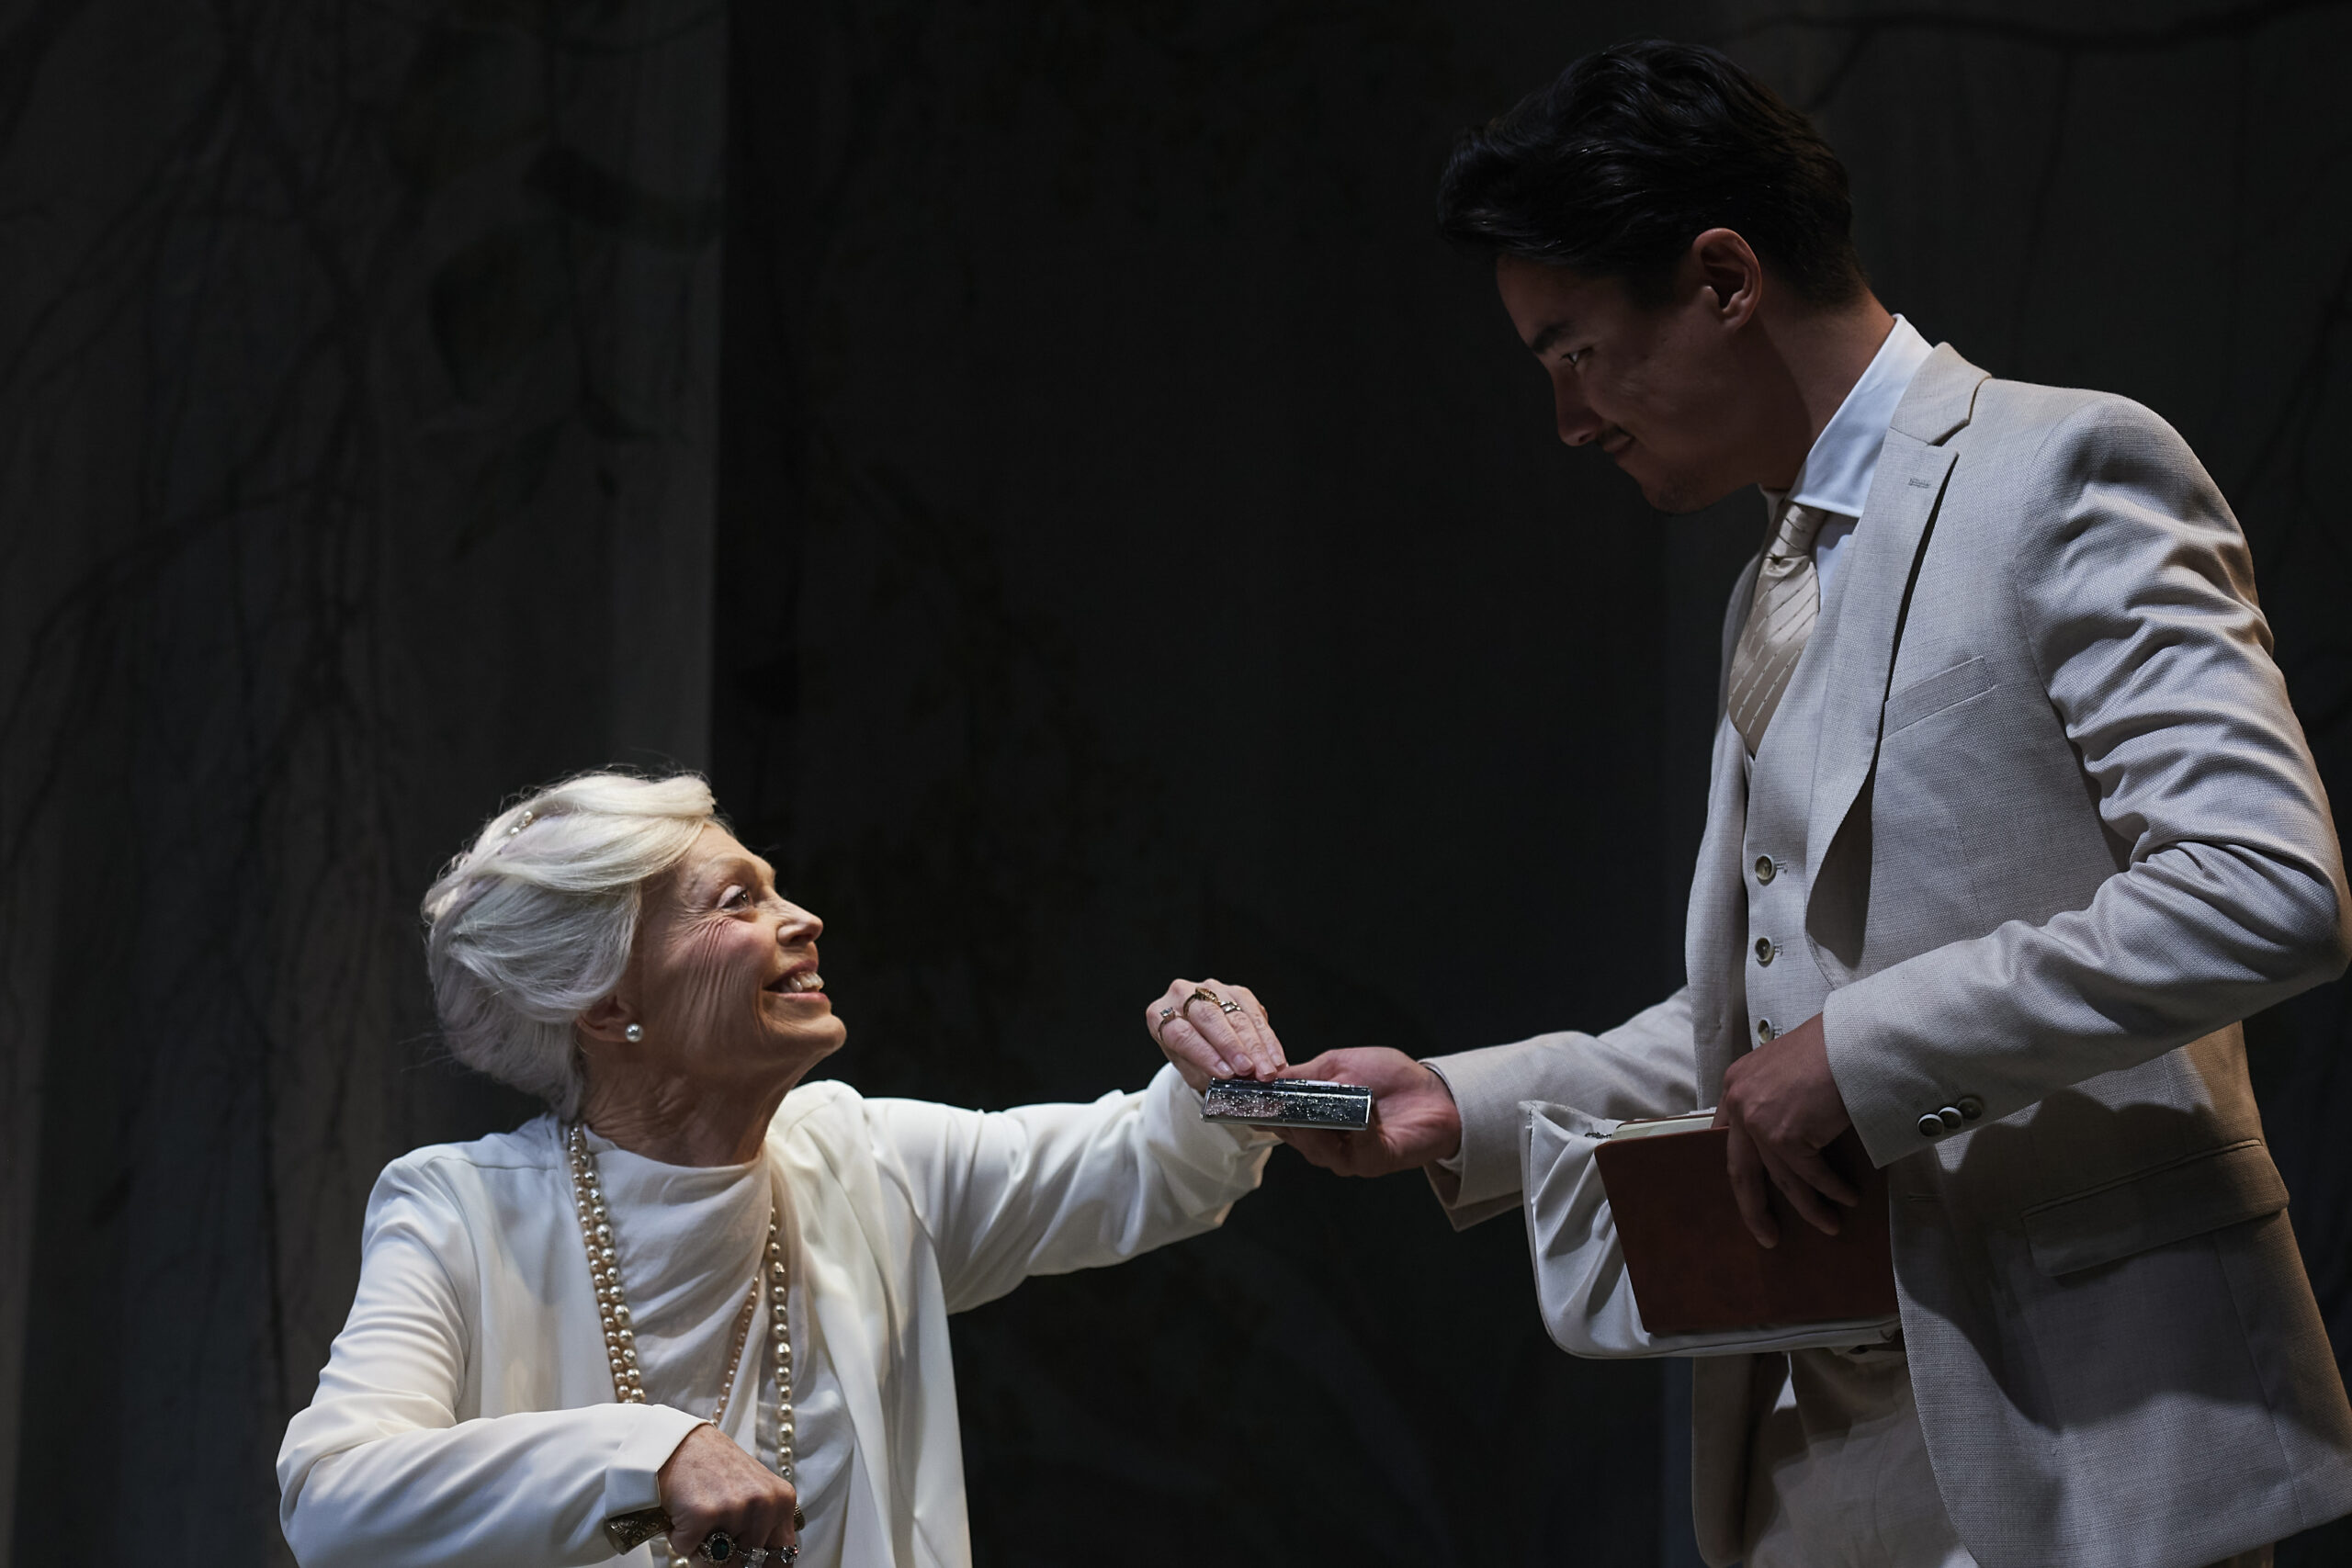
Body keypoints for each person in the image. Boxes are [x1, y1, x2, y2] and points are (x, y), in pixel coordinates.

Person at [1264, 39, 2352, 1568]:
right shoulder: (1775, 575)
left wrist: (1861, 1053)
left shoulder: (2068, 472)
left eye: (1573, 353)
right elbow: (1771, 1015)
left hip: (2101, 1444)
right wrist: (1465, 1101)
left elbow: (2262, 888)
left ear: (1722, 278)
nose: (1571, 421)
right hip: (1819, 1459)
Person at [277, 771, 1287, 1568]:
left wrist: (1225, 1078)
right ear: (603, 1004)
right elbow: (334, 1497)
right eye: (736, 902)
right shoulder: (461, 1211)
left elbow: (1140, 1164)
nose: (801, 918)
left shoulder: (865, 1163)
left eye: (775, 887)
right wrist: (649, 1454)